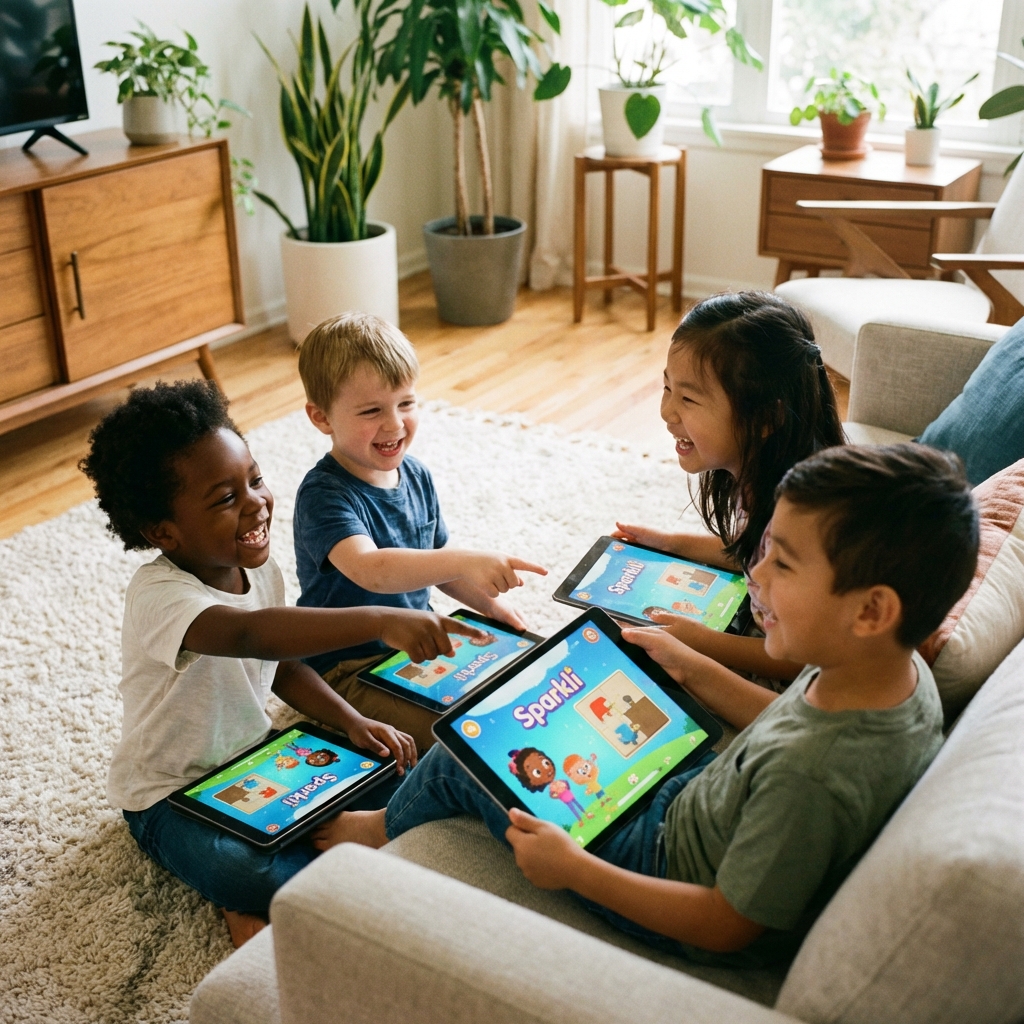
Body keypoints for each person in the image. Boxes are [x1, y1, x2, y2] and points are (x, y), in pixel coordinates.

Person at [313, 444, 978, 967]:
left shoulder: (813, 776)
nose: (755, 573)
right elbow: (779, 721)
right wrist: (689, 664)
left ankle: (377, 829)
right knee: (585, 694)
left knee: (467, 754)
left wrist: (576, 870)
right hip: (698, 799)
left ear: (871, 611)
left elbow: (724, 924)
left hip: (659, 862)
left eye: (784, 564)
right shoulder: (896, 675)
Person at [80, 380, 487, 949]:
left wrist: (352, 721)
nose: (256, 503)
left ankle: (288, 876)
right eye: (225, 499)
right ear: (162, 531)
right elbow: (248, 633)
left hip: (259, 758)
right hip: (169, 794)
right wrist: (377, 619)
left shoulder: (259, 570)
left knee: (402, 780)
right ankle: (246, 897)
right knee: (246, 869)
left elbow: (284, 664)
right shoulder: (159, 597)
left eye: (255, 480)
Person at [293, 312, 546, 753]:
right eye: (371, 411)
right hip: (346, 667)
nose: (394, 425)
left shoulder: (416, 475)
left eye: (406, 403)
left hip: (418, 642)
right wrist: (465, 559)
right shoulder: (323, 495)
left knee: (526, 685)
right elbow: (372, 570)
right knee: (462, 737)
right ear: (322, 417)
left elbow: (437, 567)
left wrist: (493, 609)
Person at [613, 291, 845, 689]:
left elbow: (803, 660)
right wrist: (670, 544)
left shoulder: (805, 519)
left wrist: (701, 643)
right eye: (667, 388)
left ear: (766, 417)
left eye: (688, 398)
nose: (667, 412)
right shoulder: (762, 475)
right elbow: (750, 548)